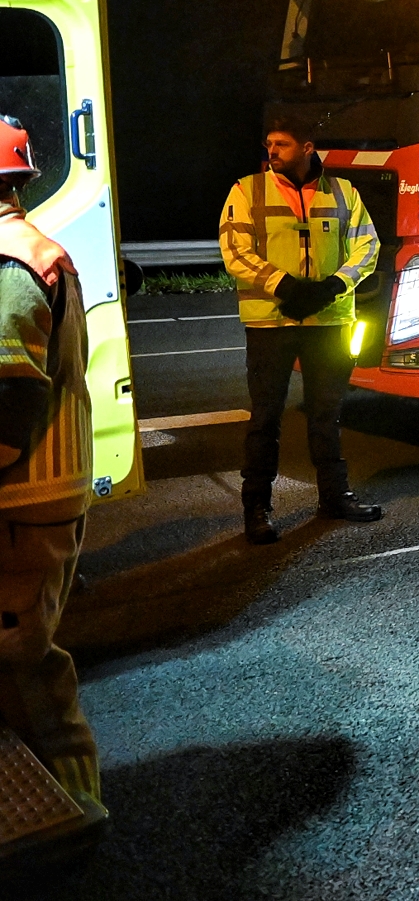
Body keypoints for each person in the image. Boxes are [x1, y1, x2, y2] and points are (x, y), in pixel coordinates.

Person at [0, 116, 106, 858]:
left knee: (25, 665)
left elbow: (6, 405)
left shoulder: (11, 267)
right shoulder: (23, 255)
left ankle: (74, 813)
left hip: (20, 504)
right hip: (31, 500)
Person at [219, 118, 382, 543]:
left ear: (307, 147)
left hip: (329, 320)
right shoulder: (247, 190)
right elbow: (234, 249)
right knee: (265, 417)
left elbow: (368, 246)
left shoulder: (343, 192)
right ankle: (256, 507)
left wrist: (333, 286)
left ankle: (334, 497)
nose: (271, 151)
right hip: (271, 320)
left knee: (327, 414)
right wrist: (283, 285)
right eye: (269, 143)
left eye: (282, 144)